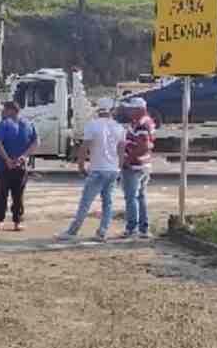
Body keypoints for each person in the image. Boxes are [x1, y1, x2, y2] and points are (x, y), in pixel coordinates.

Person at [57, 97, 127, 242]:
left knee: (85, 202)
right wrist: (119, 168)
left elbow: (84, 148)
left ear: (98, 110)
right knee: (107, 202)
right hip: (113, 170)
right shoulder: (119, 128)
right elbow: (121, 151)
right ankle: (102, 232)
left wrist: (81, 165)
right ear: (112, 111)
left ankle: (72, 231)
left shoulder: (92, 125)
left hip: (97, 169)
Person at [0, 99, 37, 232]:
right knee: (18, 195)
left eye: (4, 109)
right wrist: (24, 156)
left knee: (1, 195)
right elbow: (36, 142)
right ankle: (17, 223)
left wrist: (7, 160)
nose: (2, 112)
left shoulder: (4, 124)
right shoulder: (29, 123)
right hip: (21, 167)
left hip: (4, 167)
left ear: (11, 111)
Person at [121, 96, 156, 240]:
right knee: (140, 197)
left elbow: (143, 146)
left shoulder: (141, 124)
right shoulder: (146, 122)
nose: (128, 112)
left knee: (131, 198)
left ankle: (132, 229)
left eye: (131, 109)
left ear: (140, 109)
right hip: (143, 164)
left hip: (136, 166)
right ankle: (143, 228)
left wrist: (128, 159)